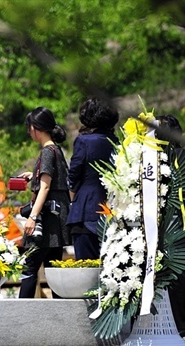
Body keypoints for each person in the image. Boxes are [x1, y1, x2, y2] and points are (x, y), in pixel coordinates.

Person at [18, 107, 71, 298]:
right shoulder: (57, 150)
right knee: (52, 271)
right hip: (58, 219)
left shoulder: (47, 152)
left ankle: (19, 313)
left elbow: (46, 187)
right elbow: (56, 181)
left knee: (29, 266)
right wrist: (34, 176)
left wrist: (32, 217)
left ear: (34, 128)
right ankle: (58, 317)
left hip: (46, 221)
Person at [67, 98, 119, 259]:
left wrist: (72, 198)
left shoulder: (84, 141)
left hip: (85, 209)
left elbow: (74, 176)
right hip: (110, 208)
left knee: (86, 267)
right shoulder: (116, 141)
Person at [157, 114, 185, 337]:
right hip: (175, 226)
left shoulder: (157, 161)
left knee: (176, 275)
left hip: (173, 228)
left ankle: (183, 328)